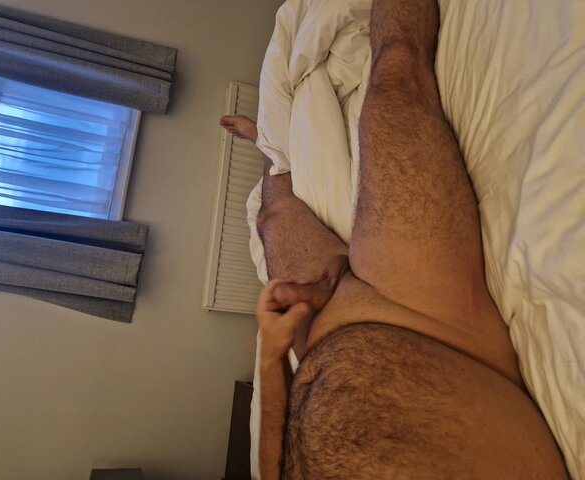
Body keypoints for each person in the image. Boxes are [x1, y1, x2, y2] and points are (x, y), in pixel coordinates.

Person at [221, 1, 568, 478]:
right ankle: (269, 141)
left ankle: (269, 145)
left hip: (320, 331)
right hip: (436, 330)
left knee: (272, 216)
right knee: (395, 76)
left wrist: (272, 364)